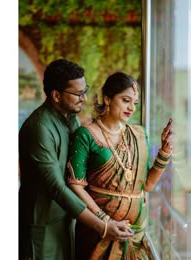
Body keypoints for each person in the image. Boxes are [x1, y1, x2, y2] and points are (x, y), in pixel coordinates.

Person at [18, 60, 133, 260]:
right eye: (78, 93)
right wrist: (103, 227)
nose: (85, 98)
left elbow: (79, 173)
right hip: (42, 229)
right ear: (56, 95)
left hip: (69, 222)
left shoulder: (71, 119)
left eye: (85, 90)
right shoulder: (39, 128)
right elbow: (57, 187)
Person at [67, 71, 173, 259]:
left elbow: (147, 185)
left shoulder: (139, 135)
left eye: (135, 103)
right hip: (97, 234)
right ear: (107, 99)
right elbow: (75, 186)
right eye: (126, 100)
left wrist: (164, 152)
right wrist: (105, 222)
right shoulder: (86, 135)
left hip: (135, 234)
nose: (132, 107)